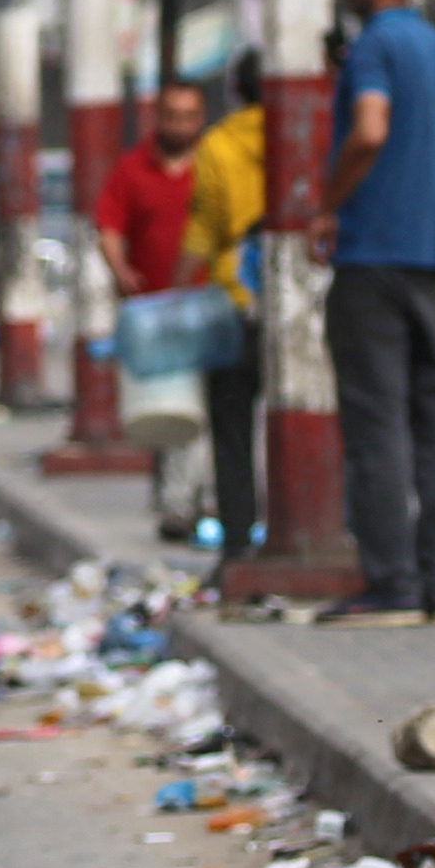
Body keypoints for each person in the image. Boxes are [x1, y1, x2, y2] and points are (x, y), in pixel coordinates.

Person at [316, 0, 435, 624]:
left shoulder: (375, 45)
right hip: (430, 252)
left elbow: (371, 129)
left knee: (376, 423)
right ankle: (432, 580)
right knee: (430, 422)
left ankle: (391, 581)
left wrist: (327, 204)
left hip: (371, 254)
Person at [187, 58, 270, 556]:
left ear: (235, 90)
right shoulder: (310, 134)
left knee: (232, 430)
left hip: (233, 309)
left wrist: (171, 296)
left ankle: (238, 540)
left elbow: (201, 232)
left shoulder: (218, 145)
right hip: (301, 310)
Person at [96, 81, 209, 303]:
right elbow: (109, 228)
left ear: (200, 118)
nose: (179, 125)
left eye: (188, 116)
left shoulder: (215, 167)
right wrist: (121, 271)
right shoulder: (131, 169)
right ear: (157, 115)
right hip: (148, 304)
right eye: (172, 115)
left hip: (208, 302)